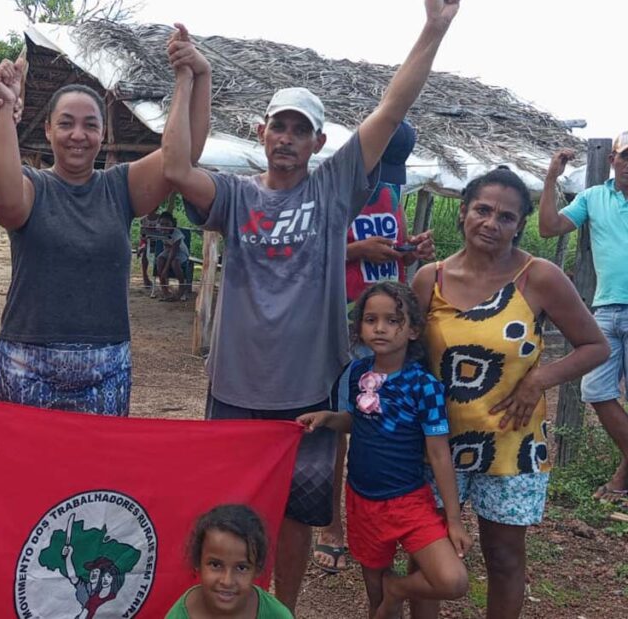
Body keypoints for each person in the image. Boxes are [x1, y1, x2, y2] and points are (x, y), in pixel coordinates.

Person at [162, 0, 462, 610]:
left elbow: (390, 111)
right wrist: (193, 77)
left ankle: (284, 610)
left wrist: (433, 29)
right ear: (262, 132)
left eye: (301, 130)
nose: (287, 138)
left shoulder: (330, 192)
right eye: (279, 126)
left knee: (297, 514)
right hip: (234, 386)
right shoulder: (235, 195)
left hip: (309, 392)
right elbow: (177, 168)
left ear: (319, 143)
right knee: (230, 512)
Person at [0, 23, 211, 415]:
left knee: (100, 460)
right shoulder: (32, 186)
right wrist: (5, 105)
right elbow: (1, 199)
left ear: (103, 135)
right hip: (27, 363)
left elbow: (182, 157)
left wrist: (194, 76)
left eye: (90, 125)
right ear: (48, 130)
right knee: (21, 458)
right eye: (66, 123)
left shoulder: (120, 187)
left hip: (106, 367)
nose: (78, 134)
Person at [410, 166, 609, 619]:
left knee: (503, 558)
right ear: (463, 212)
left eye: (506, 217)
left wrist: (538, 380)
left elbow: (595, 346)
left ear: (520, 225)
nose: (491, 223)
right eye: (482, 210)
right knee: (430, 556)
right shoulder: (429, 280)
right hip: (436, 443)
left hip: (512, 442)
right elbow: (409, 354)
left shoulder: (538, 277)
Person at [298, 281, 470, 619]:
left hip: (409, 502)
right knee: (376, 601)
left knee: (453, 580)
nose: (380, 328)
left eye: (393, 320)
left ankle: (398, 588)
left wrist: (453, 520)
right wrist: (330, 418)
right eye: (370, 319)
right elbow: (359, 421)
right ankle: (387, 597)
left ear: (413, 330)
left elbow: (438, 454)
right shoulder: (357, 373)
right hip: (362, 501)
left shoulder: (425, 386)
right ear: (360, 327)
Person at [315, 120, 435, 574]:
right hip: (346, 323)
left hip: (387, 329)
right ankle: (331, 526)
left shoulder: (391, 193)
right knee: (338, 426)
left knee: (381, 425)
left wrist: (411, 252)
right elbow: (309, 249)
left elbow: (392, 255)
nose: (387, 179)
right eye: (382, 167)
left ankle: (383, 521)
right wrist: (356, 250)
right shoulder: (333, 189)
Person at [539, 140, 628, 502]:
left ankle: (622, 477)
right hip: (606, 308)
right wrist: (551, 178)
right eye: (627, 156)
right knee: (596, 390)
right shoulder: (594, 197)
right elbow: (548, 227)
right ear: (613, 159)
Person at [165, 504, 293, 619]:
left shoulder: (276, 615)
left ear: (257, 568)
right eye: (216, 565)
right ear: (198, 562)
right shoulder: (179, 615)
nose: (227, 581)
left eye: (241, 568)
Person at [155, 210, 190, 301]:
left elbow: (173, 253)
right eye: (162, 224)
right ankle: (165, 290)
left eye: (167, 224)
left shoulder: (177, 234)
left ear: (173, 224)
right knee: (159, 260)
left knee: (175, 263)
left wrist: (166, 269)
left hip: (180, 251)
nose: (164, 226)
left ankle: (181, 287)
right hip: (167, 249)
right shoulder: (159, 229)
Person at [138, 210, 161, 294]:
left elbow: (161, 233)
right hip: (146, 241)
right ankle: (145, 276)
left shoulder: (160, 218)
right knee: (144, 251)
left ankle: (161, 278)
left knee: (158, 251)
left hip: (157, 241)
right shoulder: (143, 219)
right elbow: (142, 235)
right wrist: (145, 242)